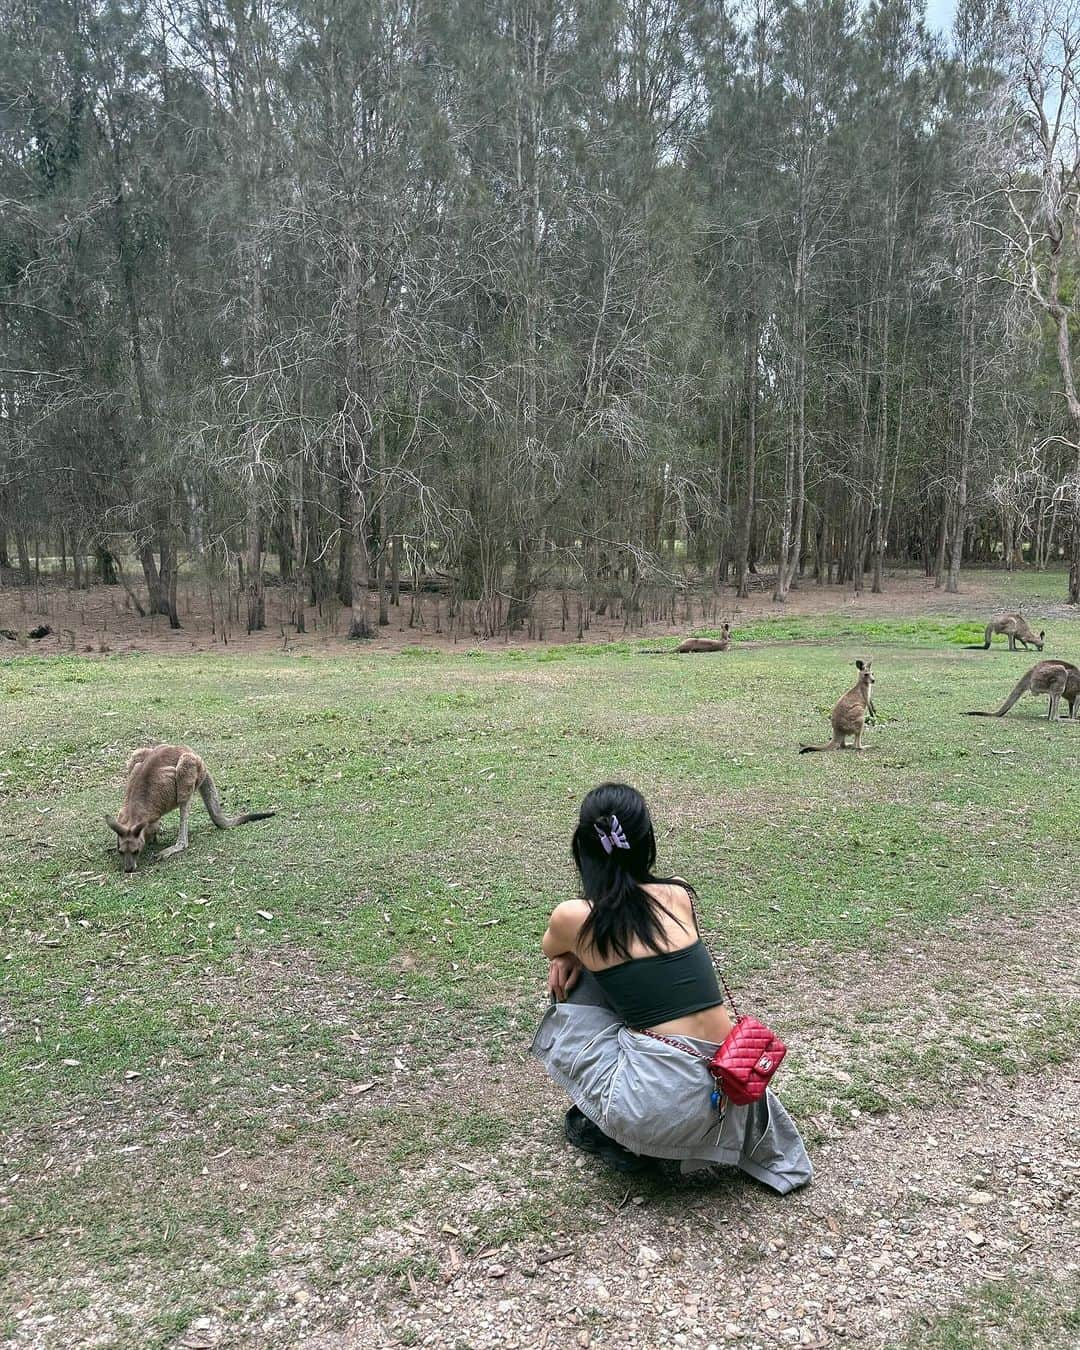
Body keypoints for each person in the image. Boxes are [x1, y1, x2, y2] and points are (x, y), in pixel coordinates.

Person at [530, 782, 812, 1193]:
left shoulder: (574, 917)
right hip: (730, 1092)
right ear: (646, 843)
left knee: (576, 981)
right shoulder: (679, 894)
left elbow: (550, 948)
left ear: (583, 848)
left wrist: (568, 954)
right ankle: (651, 1126)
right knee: (611, 971)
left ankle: (624, 1131)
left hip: (655, 1110)